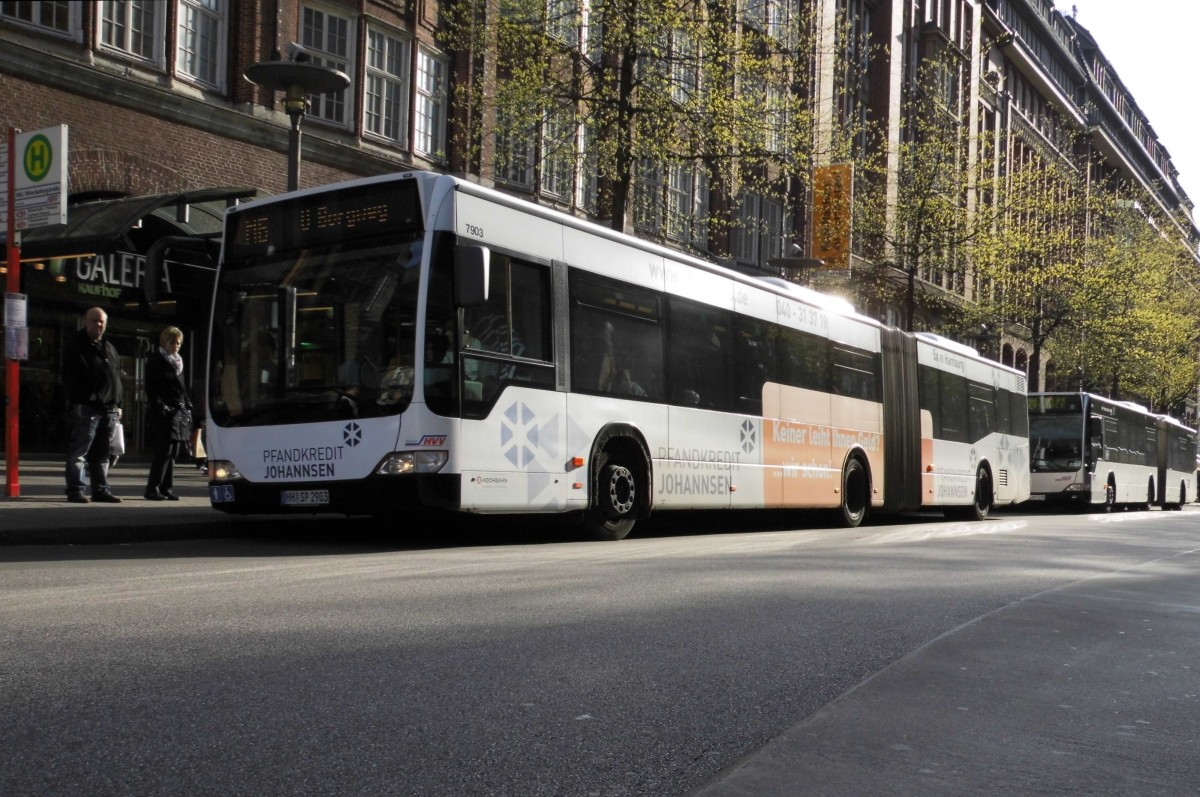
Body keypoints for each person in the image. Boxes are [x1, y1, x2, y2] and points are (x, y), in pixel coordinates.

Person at [62, 307, 124, 503]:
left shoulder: (109, 347)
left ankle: (101, 489)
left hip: (109, 408)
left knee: (103, 453)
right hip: (88, 407)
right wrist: (87, 397)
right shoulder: (76, 345)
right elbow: (70, 377)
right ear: (86, 321)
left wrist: (118, 402)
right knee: (80, 451)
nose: (98, 325)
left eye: (102, 322)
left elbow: (115, 377)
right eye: (94, 321)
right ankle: (76, 489)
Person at [143, 326, 193, 501]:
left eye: (178, 343)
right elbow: (151, 388)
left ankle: (166, 487)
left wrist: (187, 404)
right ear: (164, 342)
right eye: (173, 342)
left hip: (178, 411)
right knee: (164, 451)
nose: (176, 346)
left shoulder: (178, 362)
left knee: (174, 451)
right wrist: (160, 406)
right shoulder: (156, 361)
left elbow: (182, 387)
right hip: (165, 411)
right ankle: (153, 488)